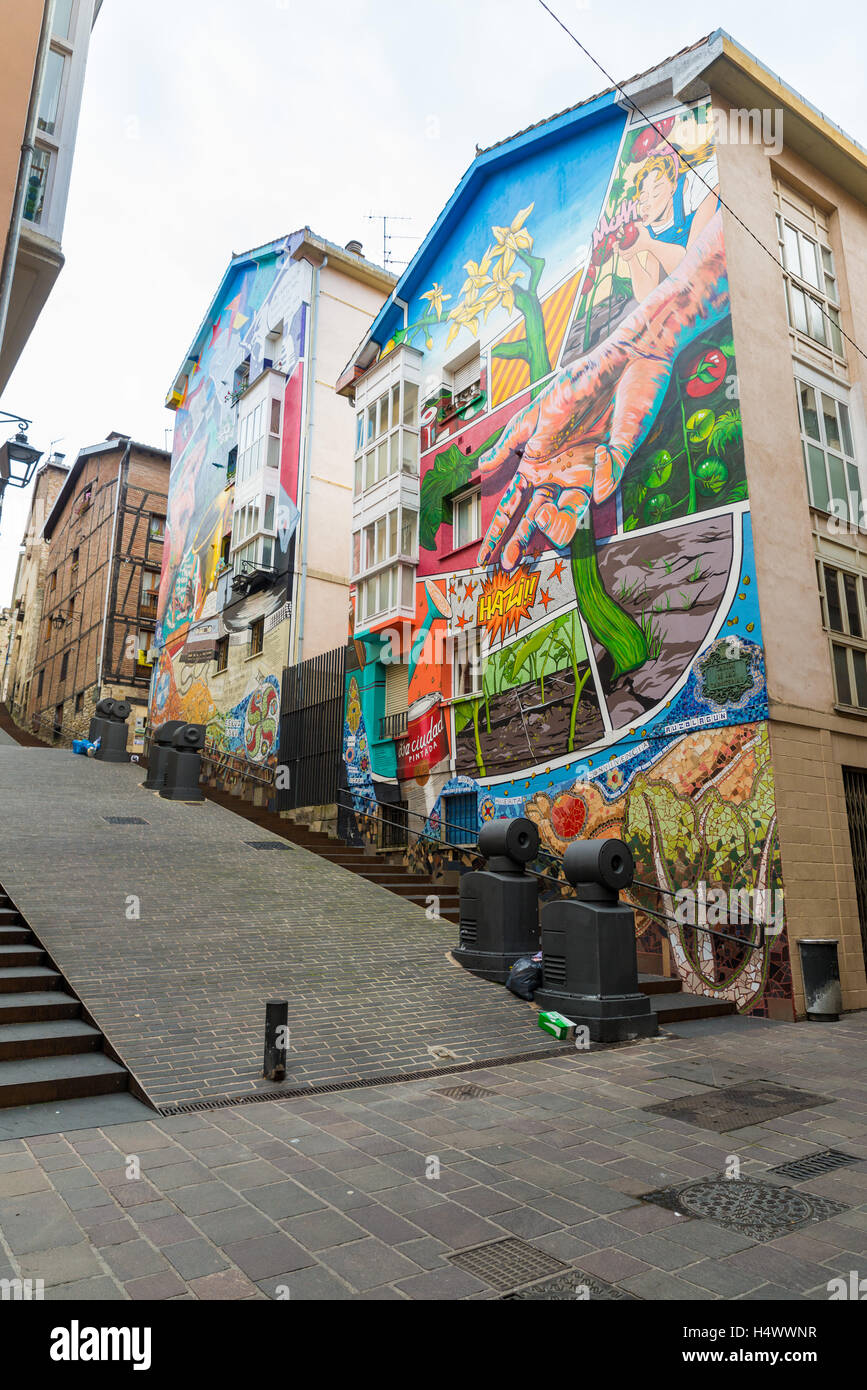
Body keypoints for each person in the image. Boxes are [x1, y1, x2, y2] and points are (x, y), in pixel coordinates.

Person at [618, 142, 719, 300]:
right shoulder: (653, 227)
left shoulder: (701, 184)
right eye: (643, 198)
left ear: (673, 188)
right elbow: (646, 296)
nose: (646, 205)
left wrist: (650, 244)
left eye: (656, 193)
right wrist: (631, 256)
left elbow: (692, 268)